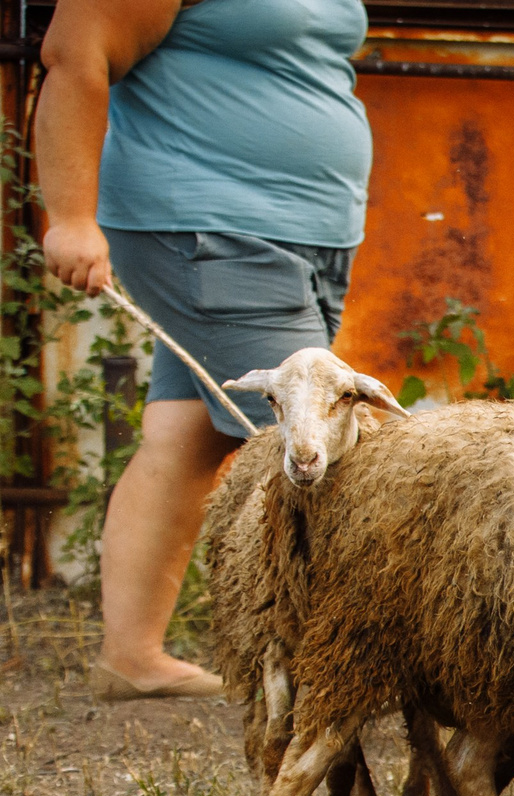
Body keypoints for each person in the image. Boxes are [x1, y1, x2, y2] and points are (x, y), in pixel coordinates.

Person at [35, 0, 371, 700]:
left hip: (302, 232)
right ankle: (338, 669)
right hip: (210, 226)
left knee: (185, 434)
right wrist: (68, 216)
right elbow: (75, 54)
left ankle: (132, 657)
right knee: (315, 448)